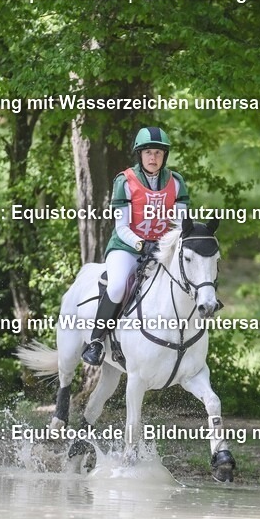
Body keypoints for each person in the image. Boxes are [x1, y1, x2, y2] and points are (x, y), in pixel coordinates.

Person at [81, 126, 189, 366]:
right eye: (149, 152)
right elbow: (121, 226)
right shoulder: (125, 180)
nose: (153, 158)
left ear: (165, 156)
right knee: (118, 285)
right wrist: (141, 244)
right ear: (140, 155)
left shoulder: (177, 182)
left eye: (159, 153)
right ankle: (96, 341)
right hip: (127, 247)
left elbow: (181, 224)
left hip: (161, 249)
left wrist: (166, 244)